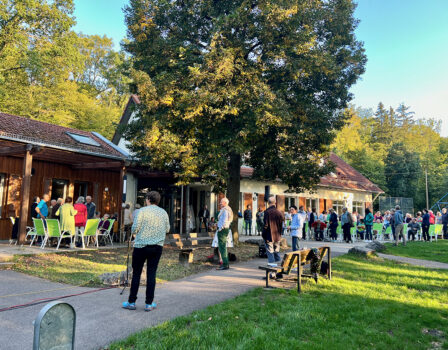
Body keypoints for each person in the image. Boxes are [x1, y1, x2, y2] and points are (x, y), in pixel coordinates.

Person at [122, 191, 170, 311]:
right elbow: (167, 229)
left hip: (141, 246)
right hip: (157, 246)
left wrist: (135, 232)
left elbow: (135, 227)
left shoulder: (142, 211)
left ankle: (131, 301)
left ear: (148, 199)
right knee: (151, 274)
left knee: (136, 273)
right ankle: (149, 303)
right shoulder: (163, 212)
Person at [262, 196, 284, 267]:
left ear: (268, 203)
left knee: (270, 254)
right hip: (277, 236)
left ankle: (272, 273)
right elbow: (281, 225)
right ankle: (279, 271)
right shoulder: (279, 212)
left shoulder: (267, 212)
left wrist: (263, 235)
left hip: (269, 236)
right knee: (276, 253)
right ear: (275, 203)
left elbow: (266, 225)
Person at [216, 197, 234, 271]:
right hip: (224, 229)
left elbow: (225, 221)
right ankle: (225, 263)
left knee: (222, 247)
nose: (220, 203)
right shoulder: (227, 209)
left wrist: (220, 229)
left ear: (225, 203)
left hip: (223, 230)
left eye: (221, 202)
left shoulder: (225, 210)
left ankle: (225, 264)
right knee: (223, 247)